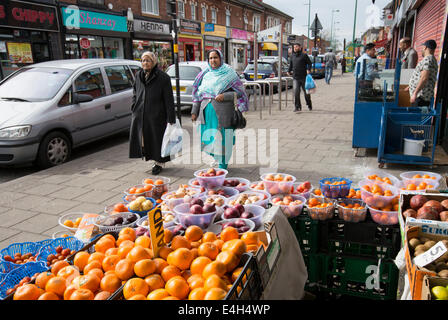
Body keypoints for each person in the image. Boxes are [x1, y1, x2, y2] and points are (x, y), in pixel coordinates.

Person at [191, 49, 249, 170]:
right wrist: (194, 111)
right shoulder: (205, 74)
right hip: (207, 113)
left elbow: (240, 92)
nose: (213, 60)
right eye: (210, 58)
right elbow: (197, 95)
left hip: (224, 114)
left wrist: (225, 96)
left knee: (223, 140)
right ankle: (218, 158)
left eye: (215, 57)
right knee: (208, 140)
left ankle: (223, 165)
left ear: (221, 59)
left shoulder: (230, 74)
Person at [129, 51, 176, 175]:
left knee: (158, 140)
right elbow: (135, 92)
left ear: (154, 62)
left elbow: (169, 99)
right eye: (143, 60)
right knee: (145, 139)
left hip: (157, 115)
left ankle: (159, 163)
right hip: (141, 114)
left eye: (148, 60)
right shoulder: (139, 75)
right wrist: (134, 106)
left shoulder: (163, 77)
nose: (145, 63)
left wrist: (171, 118)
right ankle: (151, 158)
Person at [405, 39, 439, 107]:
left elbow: (424, 78)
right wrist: (411, 86)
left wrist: (415, 93)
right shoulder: (432, 60)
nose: (421, 50)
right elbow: (423, 77)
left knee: (416, 117)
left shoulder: (428, 59)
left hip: (420, 97)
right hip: (422, 97)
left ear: (425, 47)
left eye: (422, 48)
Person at [288, 43, 312, 112]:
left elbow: (309, 63)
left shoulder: (304, 55)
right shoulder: (292, 56)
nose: (295, 48)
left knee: (306, 93)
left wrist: (308, 69)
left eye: (296, 46)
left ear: (300, 47)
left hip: (304, 77)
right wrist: (288, 71)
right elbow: (291, 65)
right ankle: (297, 107)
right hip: (295, 77)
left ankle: (309, 104)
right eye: (294, 47)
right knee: (296, 92)